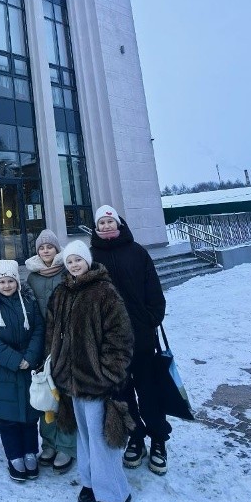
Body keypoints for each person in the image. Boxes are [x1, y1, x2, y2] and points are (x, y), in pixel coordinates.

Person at [46, 240, 134, 502]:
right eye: (70, 261)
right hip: (71, 381)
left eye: (78, 260)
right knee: (83, 436)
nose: (74, 265)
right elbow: (52, 331)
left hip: (96, 382)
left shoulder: (105, 292)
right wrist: (57, 364)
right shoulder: (62, 292)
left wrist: (108, 374)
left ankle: (114, 493)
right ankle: (91, 482)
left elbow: (120, 337)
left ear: (87, 261)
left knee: (100, 439)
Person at [90, 204, 170, 476]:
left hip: (142, 339)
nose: (106, 226)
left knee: (149, 393)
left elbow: (154, 290)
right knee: (122, 395)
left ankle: (158, 440)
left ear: (119, 224)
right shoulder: (92, 257)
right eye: (101, 223)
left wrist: (150, 318)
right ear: (96, 228)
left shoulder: (137, 252)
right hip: (111, 344)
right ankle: (135, 439)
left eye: (109, 222)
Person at [0, 259, 45, 482]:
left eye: (10, 281)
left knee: (29, 416)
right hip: (2, 370)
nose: (6, 285)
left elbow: (38, 329)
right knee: (7, 419)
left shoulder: (29, 304)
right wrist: (15, 360)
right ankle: (14, 456)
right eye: (2, 282)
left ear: (17, 282)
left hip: (27, 369)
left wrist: (30, 357)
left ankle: (30, 452)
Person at [25, 229, 77, 474]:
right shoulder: (32, 277)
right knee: (46, 394)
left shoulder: (68, 271)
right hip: (43, 343)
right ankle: (48, 443)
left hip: (66, 342)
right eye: (41, 247)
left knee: (65, 394)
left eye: (50, 247)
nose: (46, 251)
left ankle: (66, 445)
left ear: (57, 249)